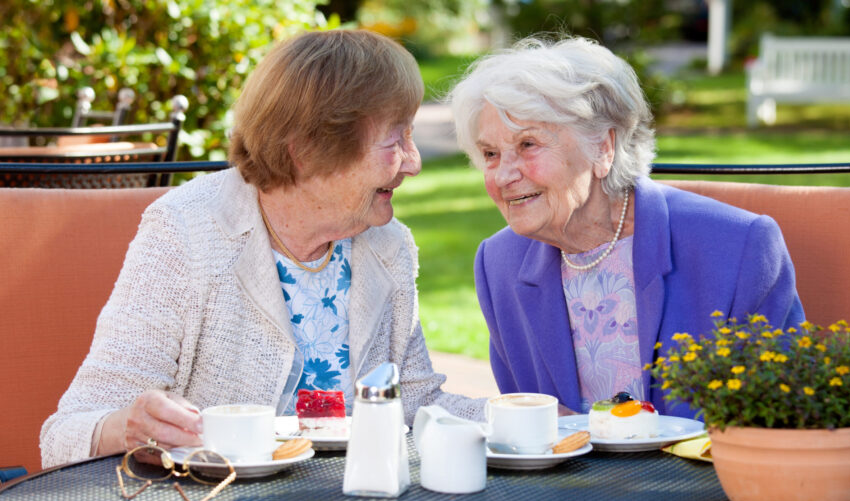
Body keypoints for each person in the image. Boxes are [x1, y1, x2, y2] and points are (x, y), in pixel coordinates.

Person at [41, 30, 483, 468]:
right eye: (395, 141)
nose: (415, 162)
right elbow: (67, 433)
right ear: (308, 151)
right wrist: (130, 427)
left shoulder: (387, 244)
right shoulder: (187, 233)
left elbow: (417, 403)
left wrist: (537, 422)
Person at [449, 36, 805, 419]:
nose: (503, 175)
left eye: (528, 144)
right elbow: (528, 422)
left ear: (603, 148)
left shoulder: (739, 248)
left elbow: (782, 416)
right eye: (490, 154)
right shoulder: (499, 264)